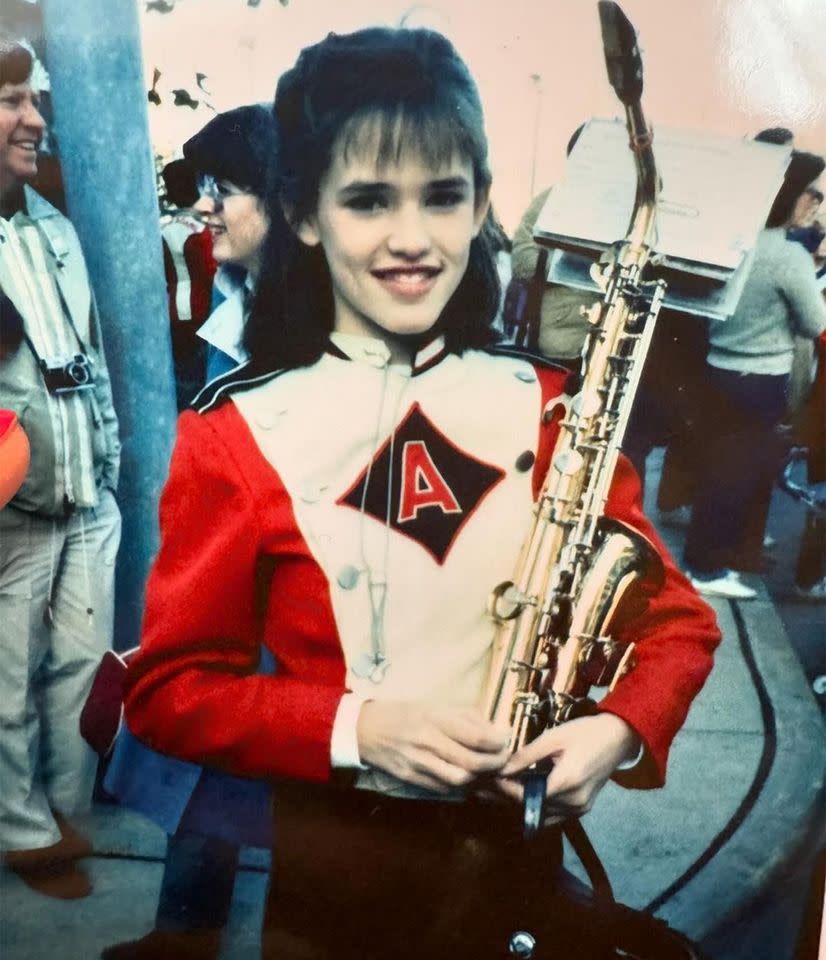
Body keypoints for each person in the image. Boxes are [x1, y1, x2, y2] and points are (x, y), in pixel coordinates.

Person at [123, 27, 720, 960]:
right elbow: (167, 691)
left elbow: (680, 624)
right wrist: (360, 728)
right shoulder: (233, 435)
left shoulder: (552, 405)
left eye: (443, 197)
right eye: (367, 201)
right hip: (336, 893)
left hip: (524, 871)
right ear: (306, 214)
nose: (412, 239)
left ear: (481, 204)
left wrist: (616, 731)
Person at [100, 105, 275, 960]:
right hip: (230, 575)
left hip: (288, 584)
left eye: (225, 189)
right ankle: (185, 931)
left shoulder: (310, 317)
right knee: (212, 748)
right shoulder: (238, 295)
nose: (204, 207)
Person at [0, 35, 121, 899]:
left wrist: (108, 459)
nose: (34, 118)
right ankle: (23, 834)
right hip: (10, 509)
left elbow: (94, 355)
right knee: (4, 683)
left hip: (87, 500)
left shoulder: (55, 228)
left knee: (80, 674)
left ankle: (63, 815)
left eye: (33, 98)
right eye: (12, 100)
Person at [683, 153, 826, 600]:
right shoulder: (788, 256)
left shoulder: (737, 241)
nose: (817, 206)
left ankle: (702, 560)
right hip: (761, 379)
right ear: (790, 195)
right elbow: (813, 321)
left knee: (717, 471)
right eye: (814, 195)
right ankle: (705, 570)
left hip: (718, 368)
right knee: (736, 478)